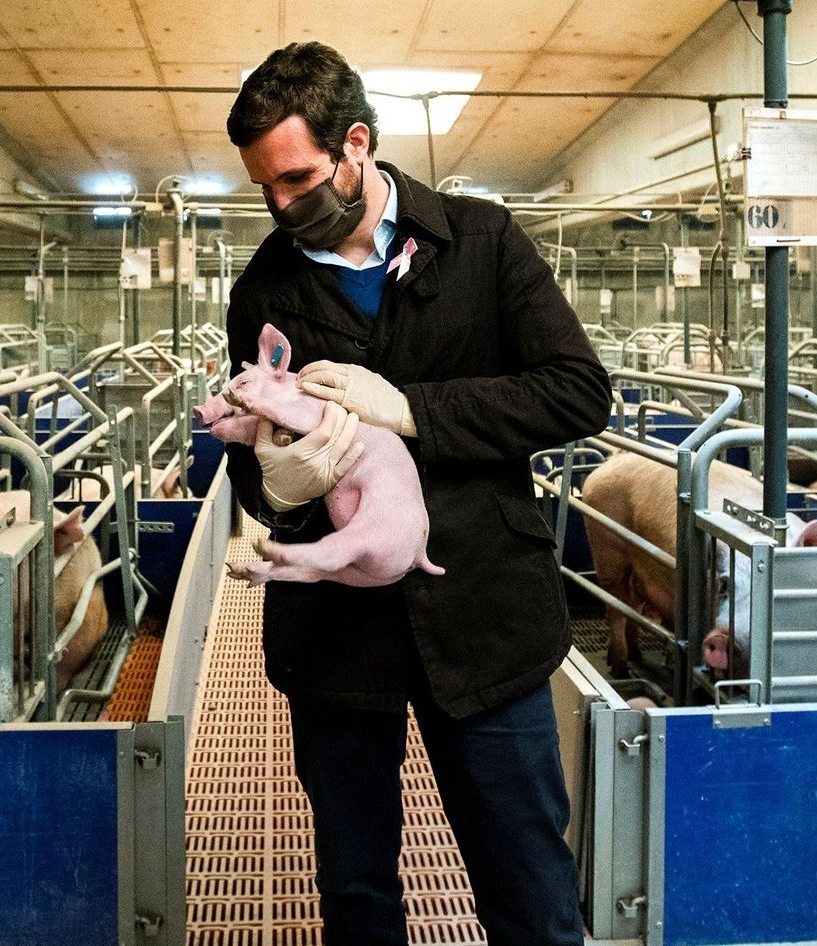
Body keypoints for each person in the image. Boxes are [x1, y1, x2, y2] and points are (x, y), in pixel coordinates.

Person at [222, 41, 613, 946]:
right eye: (265, 189)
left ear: (356, 143)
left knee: (527, 883)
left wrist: (414, 410)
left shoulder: (480, 241)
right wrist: (278, 485)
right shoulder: (263, 291)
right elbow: (253, 445)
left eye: (298, 179)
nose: (282, 207)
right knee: (358, 891)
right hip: (336, 636)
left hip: (484, 613)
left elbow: (576, 389)